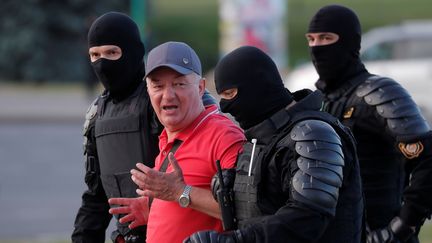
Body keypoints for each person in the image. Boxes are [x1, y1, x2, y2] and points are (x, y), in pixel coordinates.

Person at [184, 46, 364, 243]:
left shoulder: (313, 136)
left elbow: (307, 218)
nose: (225, 106)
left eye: (231, 93)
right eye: (222, 96)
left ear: (257, 86)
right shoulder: (262, 138)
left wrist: (233, 241)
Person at [72, 13, 216, 243]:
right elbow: (97, 195)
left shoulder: (162, 100)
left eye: (112, 53)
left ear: (132, 52)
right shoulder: (97, 112)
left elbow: (209, 148)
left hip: (182, 231)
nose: (102, 63)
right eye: (95, 55)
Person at [304, 5, 432, 243]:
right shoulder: (318, 100)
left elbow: (428, 159)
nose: (316, 47)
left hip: (380, 232)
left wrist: (403, 226)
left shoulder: (380, 93)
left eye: (326, 38)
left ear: (350, 42)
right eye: (311, 39)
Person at [108, 41, 246, 243]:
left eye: (179, 84)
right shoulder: (169, 134)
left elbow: (246, 211)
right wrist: (153, 208)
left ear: (200, 88)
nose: (168, 95)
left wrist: (179, 192)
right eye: (157, 86)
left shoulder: (224, 135)